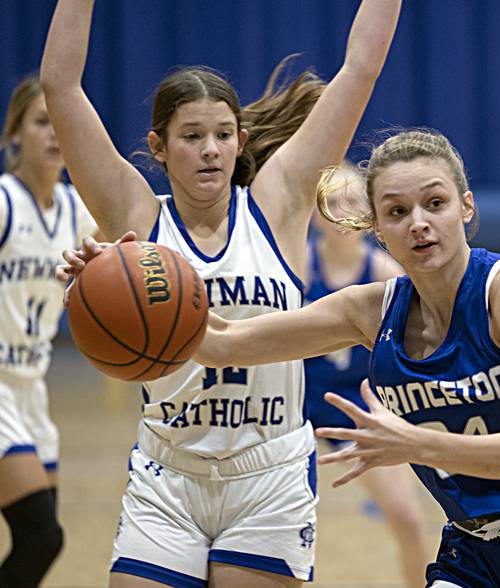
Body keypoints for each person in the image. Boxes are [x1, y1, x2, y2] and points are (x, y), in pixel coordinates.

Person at [71, 130, 500, 587]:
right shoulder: (372, 308)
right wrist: (116, 283)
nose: (418, 222)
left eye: (434, 204)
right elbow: (220, 342)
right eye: (396, 211)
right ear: (376, 229)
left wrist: (413, 444)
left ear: (466, 206)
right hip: (472, 544)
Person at [42, 0, 401, 585]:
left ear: (241, 141)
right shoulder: (132, 213)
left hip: (269, 472)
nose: (210, 149)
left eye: (222, 135)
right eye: (191, 136)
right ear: (158, 147)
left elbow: (359, 68)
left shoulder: (279, 201)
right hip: (168, 472)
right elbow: (60, 87)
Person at [305, 162, 430, 587]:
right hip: (300, 409)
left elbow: (411, 358)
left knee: (409, 520)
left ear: (370, 215)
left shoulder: (384, 274)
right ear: (313, 213)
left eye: (350, 204)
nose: (340, 215)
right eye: (330, 205)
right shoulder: (299, 267)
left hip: (362, 411)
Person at [0, 76, 98, 587]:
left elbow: (140, 227)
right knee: (43, 536)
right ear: (14, 134)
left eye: (61, 122)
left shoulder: (74, 209)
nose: (54, 133)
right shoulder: (3, 202)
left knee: (37, 540)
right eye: (42, 122)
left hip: (30, 391)